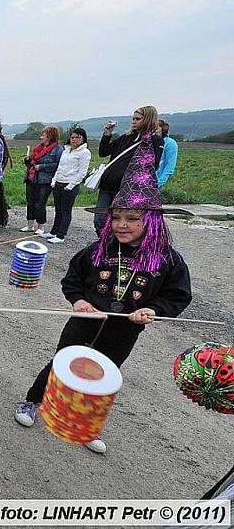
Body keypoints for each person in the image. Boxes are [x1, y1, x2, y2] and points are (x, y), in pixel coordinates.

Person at [13, 132, 191, 455]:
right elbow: (72, 279)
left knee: (103, 375)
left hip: (124, 330)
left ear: (149, 220)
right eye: (117, 217)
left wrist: (153, 309)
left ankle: (86, 425)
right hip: (84, 322)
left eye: (132, 218)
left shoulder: (166, 259)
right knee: (62, 362)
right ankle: (32, 401)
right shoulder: (97, 251)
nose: (122, 224)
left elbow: (178, 295)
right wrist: (79, 301)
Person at [95, 105, 163, 235]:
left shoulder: (155, 140)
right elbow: (103, 152)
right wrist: (107, 134)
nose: (133, 121)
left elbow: (153, 165)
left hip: (126, 191)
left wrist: (148, 141)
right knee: (99, 220)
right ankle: (103, 246)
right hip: (106, 187)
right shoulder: (126, 137)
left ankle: (114, 248)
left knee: (118, 223)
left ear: (147, 120)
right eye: (133, 118)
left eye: (137, 118)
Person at [44, 128, 91, 244]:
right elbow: (60, 167)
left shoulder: (84, 153)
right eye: (72, 137)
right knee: (58, 210)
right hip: (58, 183)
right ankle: (53, 231)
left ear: (83, 139)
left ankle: (61, 235)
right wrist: (54, 180)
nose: (74, 139)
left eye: (77, 137)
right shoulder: (66, 150)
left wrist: (70, 186)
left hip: (70, 185)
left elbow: (82, 172)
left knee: (66, 211)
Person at [21, 126, 62, 234]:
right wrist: (28, 160)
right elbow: (31, 164)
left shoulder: (58, 149)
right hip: (31, 178)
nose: (41, 137)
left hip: (45, 181)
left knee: (40, 204)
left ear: (49, 137)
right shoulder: (38, 148)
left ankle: (41, 227)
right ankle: (30, 225)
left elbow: (58, 165)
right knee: (30, 202)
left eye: (43, 135)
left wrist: (42, 166)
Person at [155, 119, 178, 188]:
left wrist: (159, 183)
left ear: (163, 129)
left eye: (156, 128)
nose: (153, 130)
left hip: (157, 182)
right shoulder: (149, 141)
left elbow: (170, 165)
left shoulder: (170, 143)